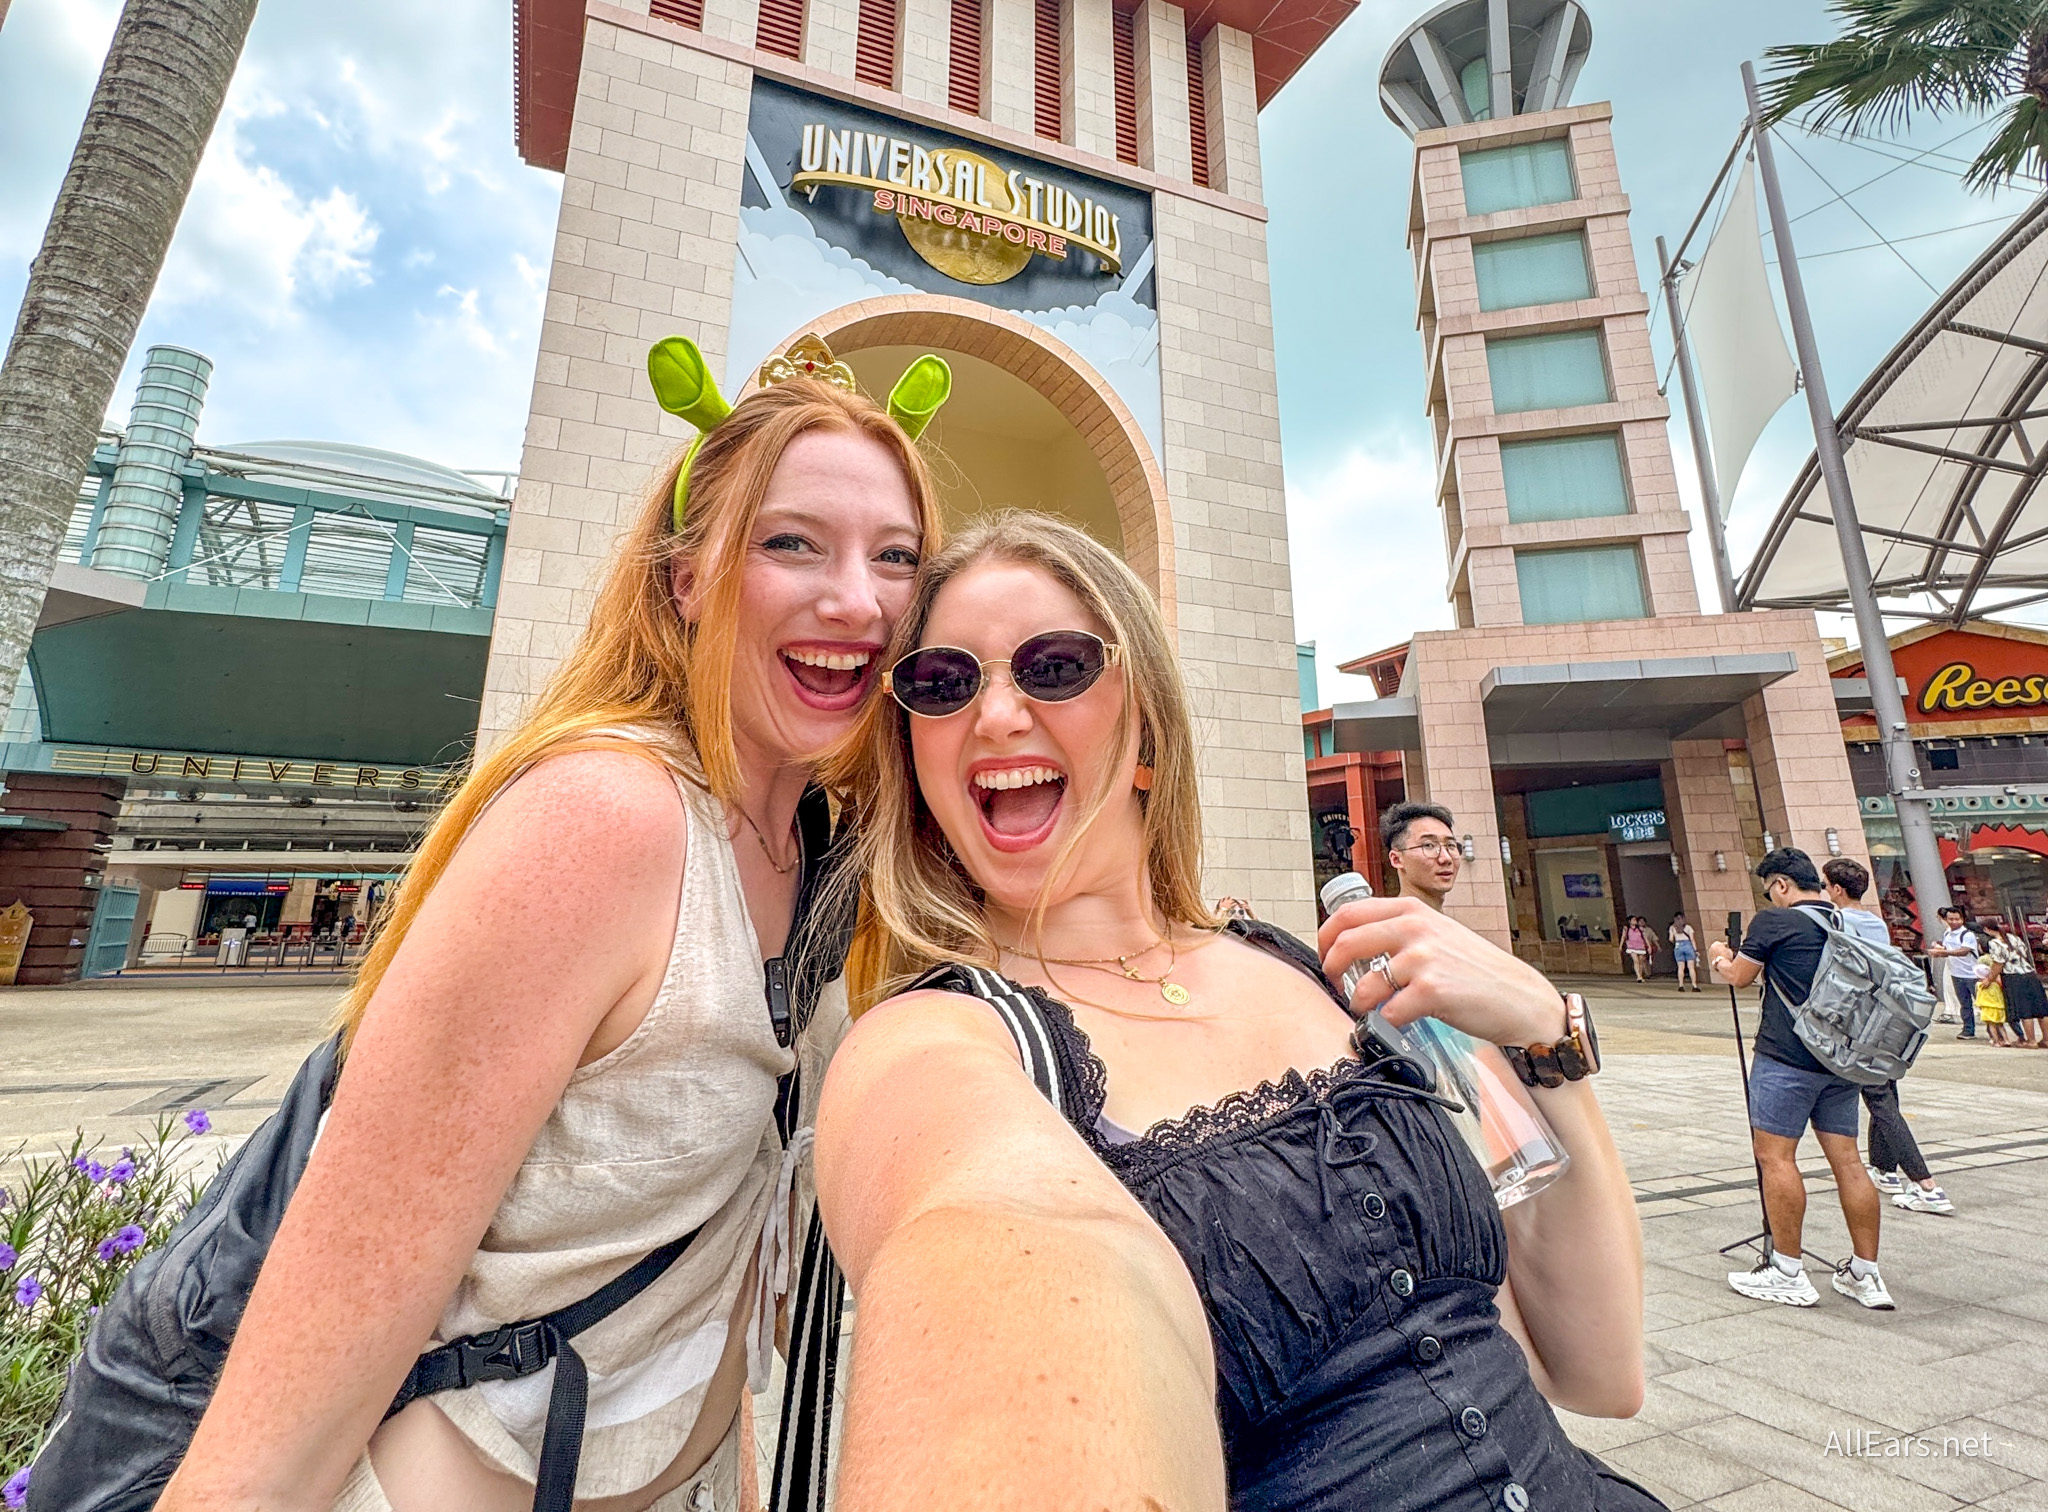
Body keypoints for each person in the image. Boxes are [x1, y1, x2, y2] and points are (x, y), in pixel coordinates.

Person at [154, 351, 946, 1511]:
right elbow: (345, 1287)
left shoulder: (822, 843)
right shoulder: (605, 820)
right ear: (685, 580)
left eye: (895, 558)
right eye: (792, 544)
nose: (858, 602)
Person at [817, 514, 1661, 1511]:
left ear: (1145, 729)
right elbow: (974, 1225)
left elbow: (1594, 1367)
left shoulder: (1304, 966)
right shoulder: (935, 1040)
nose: (996, 713)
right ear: (913, 749)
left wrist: (1545, 1033)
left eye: (1054, 666)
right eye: (942, 682)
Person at [1707, 848, 1893, 1310]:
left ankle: (1787, 1270)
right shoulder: (1849, 922)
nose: (1771, 897)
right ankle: (1866, 1274)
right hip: (1842, 1062)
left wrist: (1719, 956)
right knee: (1848, 1162)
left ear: (1782, 884)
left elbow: (1739, 977)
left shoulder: (1775, 921)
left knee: (1776, 1158)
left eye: (1770, 889)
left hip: (1786, 1059)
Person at [1821, 858, 1953, 1217]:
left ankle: (1927, 1185)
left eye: (1826, 885)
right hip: (1887, 1016)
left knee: (1880, 1099)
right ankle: (1884, 1169)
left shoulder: (1838, 921)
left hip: (1858, 1021)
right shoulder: (1875, 922)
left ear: (1836, 889)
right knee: (1884, 1090)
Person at [1379, 799, 1462, 909]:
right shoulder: (1391, 919)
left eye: (1450, 845)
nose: (1446, 858)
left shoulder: (1442, 919)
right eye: (1429, 845)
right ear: (1396, 859)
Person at [1927, 905, 1982, 1039]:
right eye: (1951, 919)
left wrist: (1943, 952)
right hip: (1957, 974)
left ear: (1962, 919)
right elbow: (1949, 950)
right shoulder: (1947, 934)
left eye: (1957, 919)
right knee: (1964, 1004)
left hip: (1972, 974)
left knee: (1983, 1003)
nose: (1954, 922)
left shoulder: (1967, 934)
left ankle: (1996, 1030)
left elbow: (1964, 951)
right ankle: (1968, 1029)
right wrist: (1939, 952)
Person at [2001, 920, 2048, 1047]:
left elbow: (1998, 963)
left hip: (2015, 977)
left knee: (2025, 1011)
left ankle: (2031, 1041)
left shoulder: (1996, 942)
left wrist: (1990, 978)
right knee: (2042, 1010)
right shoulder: (2017, 940)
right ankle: (2046, 1040)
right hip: (2031, 974)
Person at [1977, 920, 2021, 1048]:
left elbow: (1998, 964)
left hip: (1989, 1000)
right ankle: (2008, 1039)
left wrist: (1989, 979)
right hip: (2001, 996)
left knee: (1991, 1023)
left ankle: (1996, 1041)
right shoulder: (2013, 938)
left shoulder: (1990, 951)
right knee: (2002, 1022)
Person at [1668, 912, 1700, 991]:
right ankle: (1694, 985)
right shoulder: (1688, 927)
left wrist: (1676, 942)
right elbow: (1692, 939)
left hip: (1678, 946)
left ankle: (1681, 985)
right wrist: (1695, 950)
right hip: (1688, 946)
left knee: (1681, 967)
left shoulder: (1672, 928)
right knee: (1691, 967)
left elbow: (1671, 939)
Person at [1622, 915, 1653, 982]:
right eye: (1633, 920)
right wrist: (1621, 945)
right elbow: (1623, 937)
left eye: (1635, 920)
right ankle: (1638, 976)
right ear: (1629, 921)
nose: (1635, 921)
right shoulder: (1626, 928)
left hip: (1640, 946)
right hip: (1632, 947)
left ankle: (1640, 975)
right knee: (1636, 961)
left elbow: (1645, 938)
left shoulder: (1640, 929)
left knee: (1641, 962)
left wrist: (1649, 946)